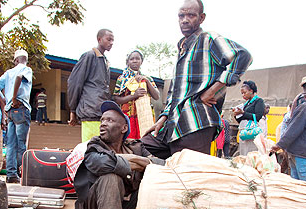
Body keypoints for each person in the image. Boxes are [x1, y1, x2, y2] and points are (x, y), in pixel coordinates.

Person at [141, 0, 252, 159]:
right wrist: (163, 118)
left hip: (196, 122)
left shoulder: (208, 39)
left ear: (201, 18)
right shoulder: (182, 48)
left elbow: (243, 56)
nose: (185, 19)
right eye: (181, 16)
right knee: (140, 147)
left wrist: (212, 90)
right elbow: (175, 92)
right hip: (172, 124)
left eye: (191, 15)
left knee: (189, 174)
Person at [73, 100, 164, 209]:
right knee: (110, 177)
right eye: (102, 120)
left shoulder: (136, 146)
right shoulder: (95, 145)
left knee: (151, 181)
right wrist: (139, 161)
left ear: (124, 128)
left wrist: (132, 161)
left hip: (125, 206)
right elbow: (101, 164)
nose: (103, 124)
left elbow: (160, 166)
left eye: (109, 120)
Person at [270, 85, 306, 187]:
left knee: (298, 186)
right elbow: (293, 129)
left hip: (299, 153)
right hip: (303, 153)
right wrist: (280, 145)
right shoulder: (304, 109)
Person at [0, 49, 33, 184]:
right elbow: (19, 78)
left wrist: (5, 100)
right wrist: (14, 98)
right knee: (21, 144)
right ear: (25, 60)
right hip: (21, 107)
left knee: (10, 144)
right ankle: (24, 174)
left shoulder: (8, 72)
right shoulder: (26, 69)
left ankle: (11, 175)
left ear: (15, 60)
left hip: (10, 110)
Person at [67, 29, 114, 142]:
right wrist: (73, 109)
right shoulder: (89, 56)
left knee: (100, 148)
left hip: (101, 112)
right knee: (90, 148)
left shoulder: (105, 61)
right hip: (90, 111)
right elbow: (74, 83)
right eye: (109, 39)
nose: (111, 43)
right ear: (99, 39)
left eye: (113, 40)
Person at [112, 49, 160, 139]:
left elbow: (157, 96)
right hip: (128, 116)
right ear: (127, 62)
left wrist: (146, 81)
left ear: (141, 61)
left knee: (145, 140)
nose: (134, 61)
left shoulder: (148, 78)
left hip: (145, 115)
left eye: (137, 59)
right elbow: (116, 99)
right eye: (132, 59)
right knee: (128, 141)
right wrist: (134, 96)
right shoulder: (122, 79)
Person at [233, 80, 265, 156]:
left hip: (251, 130)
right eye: (242, 93)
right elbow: (241, 119)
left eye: (245, 92)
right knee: (243, 151)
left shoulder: (258, 101)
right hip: (243, 131)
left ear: (251, 91)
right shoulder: (246, 104)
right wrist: (236, 114)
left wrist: (243, 113)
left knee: (251, 152)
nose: (243, 95)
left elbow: (258, 116)